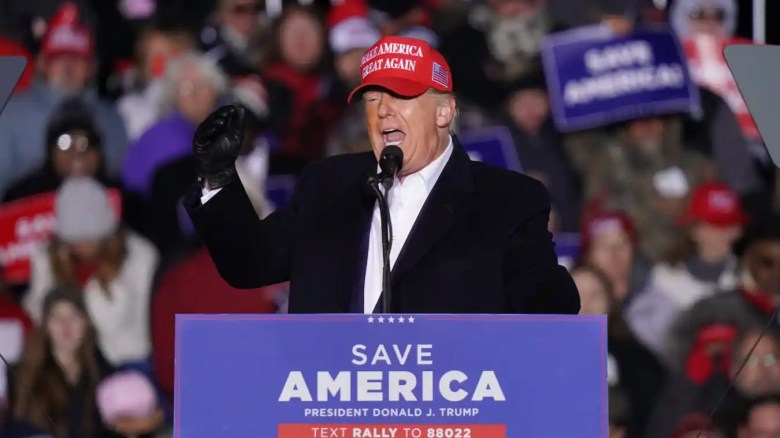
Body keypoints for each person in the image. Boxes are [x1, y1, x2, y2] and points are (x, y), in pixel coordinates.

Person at [185, 35, 579, 314]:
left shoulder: (506, 200)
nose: (383, 111)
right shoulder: (328, 185)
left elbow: (548, 310)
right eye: (372, 99)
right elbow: (249, 264)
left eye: (401, 97)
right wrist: (217, 176)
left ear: (444, 112)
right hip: (332, 414)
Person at [13, 287, 113, 437]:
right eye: (56, 317)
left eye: (73, 317)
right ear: (46, 326)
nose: (66, 325)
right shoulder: (22, 373)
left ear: (85, 323)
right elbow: (15, 426)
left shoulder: (102, 372)